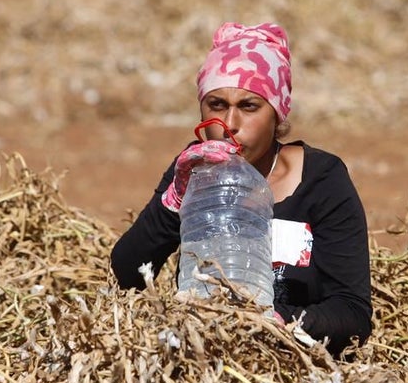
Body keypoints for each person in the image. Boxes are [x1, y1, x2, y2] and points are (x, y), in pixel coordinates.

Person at [110, 22, 373, 357]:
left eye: (249, 106)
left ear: (277, 115)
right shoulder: (193, 168)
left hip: (293, 367)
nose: (229, 124)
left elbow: (352, 314)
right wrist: (174, 200)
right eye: (216, 104)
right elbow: (126, 277)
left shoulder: (322, 180)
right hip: (201, 361)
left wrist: (274, 322)